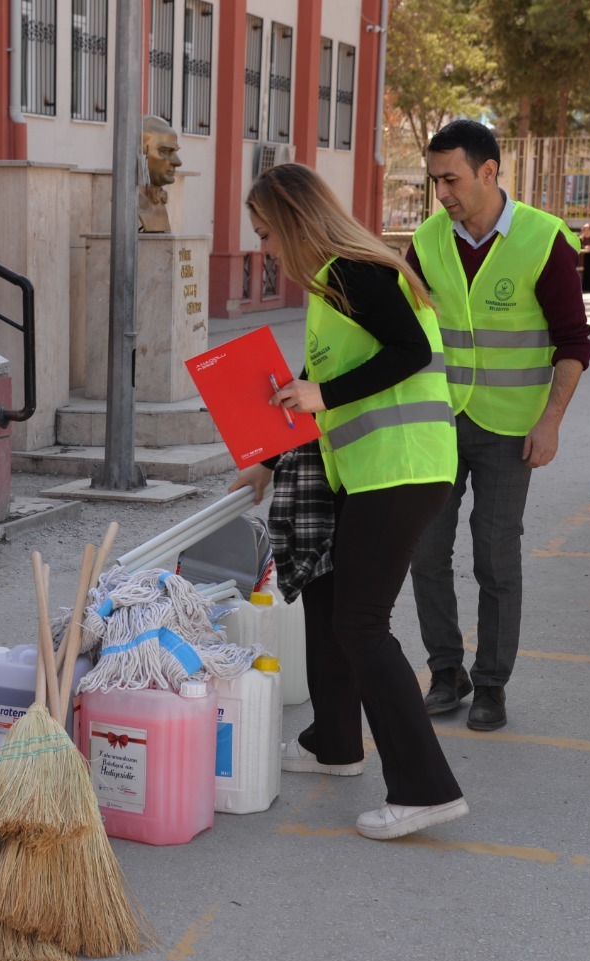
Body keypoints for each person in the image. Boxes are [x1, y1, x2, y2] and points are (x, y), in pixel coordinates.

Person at [229, 162, 466, 841]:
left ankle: (424, 789)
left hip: (403, 472)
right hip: (372, 475)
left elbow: (410, 351)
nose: (265, 250)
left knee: (362, 624)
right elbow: (306, 385)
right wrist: (267, 465)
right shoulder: (330, 288)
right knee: (332, 597)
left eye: (267, 234)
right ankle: (334, 743)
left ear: (298, 225)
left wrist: (323, 399)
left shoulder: (355, 270)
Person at [406, 119, 590, 732]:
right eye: (435, 181)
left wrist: (552, 421)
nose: (442, 194)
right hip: (438, 421)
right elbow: (401, 332)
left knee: (495, 557)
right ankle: (446, 671)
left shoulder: (545, 240)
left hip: (512, 429)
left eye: (451, 179)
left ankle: (491, 684)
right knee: (426, 551)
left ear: (489, 172)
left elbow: (573, 342)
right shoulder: (428, 241)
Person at [138, 116, 182, 233]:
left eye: (175, 152)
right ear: (142, 154)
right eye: (165, 151)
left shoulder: (159, 201)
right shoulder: (130, 203)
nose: (177, 162)